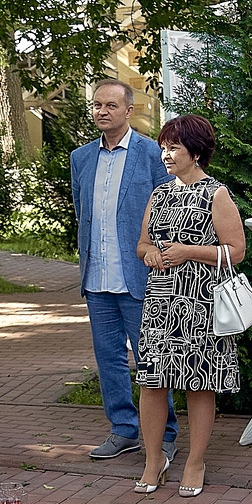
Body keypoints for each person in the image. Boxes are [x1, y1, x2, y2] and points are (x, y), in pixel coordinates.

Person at [133, 115, 246, 495]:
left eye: (174, 147)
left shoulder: (216, 193)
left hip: (200, 303)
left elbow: (237, 250)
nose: (165, 154)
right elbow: (143, 244)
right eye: (164, 147)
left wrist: (188, 252)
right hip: (160, 302)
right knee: (152, 383)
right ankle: (154, 461)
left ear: (195, 152)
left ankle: (195, 463)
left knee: (199, 384)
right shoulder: (159, 194)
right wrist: (151, 255)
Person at [71, 77, 176, 460]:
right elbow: (82, 214)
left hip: (140, 275)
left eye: (110, 106)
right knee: (109, 358)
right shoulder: (80, 157)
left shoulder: (152, 154)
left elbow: (168, 211)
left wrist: (161, 258)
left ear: (129, 111)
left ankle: (165, 434)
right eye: (97, 105)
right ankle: (123, 429)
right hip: (97, 277)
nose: (101, 111)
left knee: (153, 358)